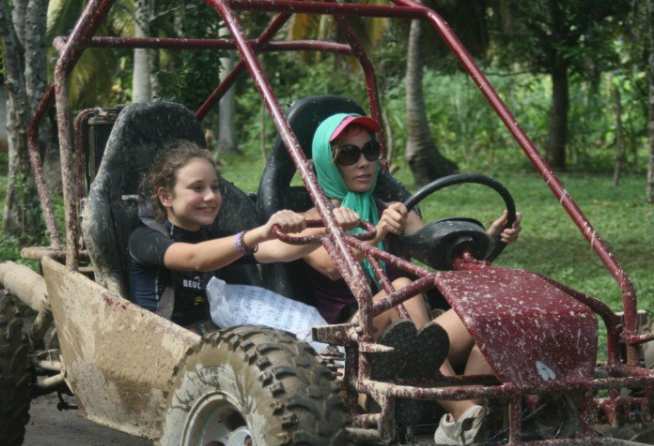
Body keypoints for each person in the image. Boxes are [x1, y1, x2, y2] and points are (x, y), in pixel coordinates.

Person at [302, 113, 522, 445]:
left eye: (370, 150)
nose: (364, 163)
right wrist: (377, 234)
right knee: (403, 290)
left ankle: (467, 421)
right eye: (349, 155)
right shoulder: (311, 218)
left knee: (487, 314)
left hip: (411, 328)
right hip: (352, 339)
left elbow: (441, 258)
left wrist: (491, 241)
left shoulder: (391, 208)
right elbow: (330, 264)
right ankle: (466, 414)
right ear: (328, 164)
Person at [128, 140, 358, 335]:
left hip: (205, 338)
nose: (210, 197)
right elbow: (193, 258)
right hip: (161, 342)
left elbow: (278, 250)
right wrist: (260, 232)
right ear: (166, 196)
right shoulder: (144, 238)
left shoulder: (213, 238)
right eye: (197, 188)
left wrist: (329, 229)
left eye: (215, 187)